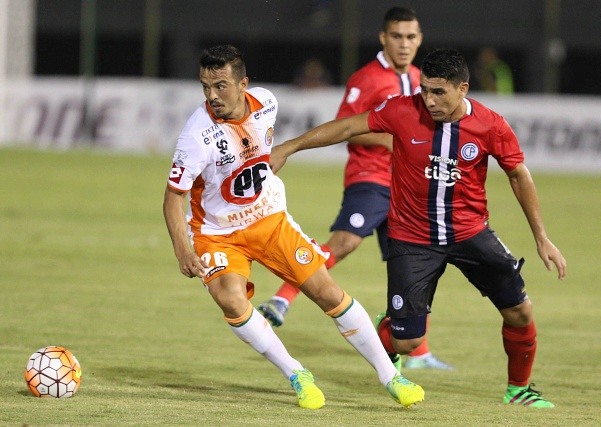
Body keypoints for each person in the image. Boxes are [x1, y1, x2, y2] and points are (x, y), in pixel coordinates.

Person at [267, 48, 567, 408]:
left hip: (471, 234)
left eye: (439, 91)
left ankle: (519, 389)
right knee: (406, 342)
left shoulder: (491, 125)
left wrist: (542, 237)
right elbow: (349, 126)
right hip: (413, 239)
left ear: (463, 89)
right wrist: (289, 146)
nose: (429, 99)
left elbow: (518, 174)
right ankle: (390, 329)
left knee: (520, 311)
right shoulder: (402, 110)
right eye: (425, 89)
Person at [162, 44, 424, 410]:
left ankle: (390, 376)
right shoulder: (196, 136)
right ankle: (296, 373)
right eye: (205, 87)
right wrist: (183, 250)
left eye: (220, 85)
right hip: (217, 234)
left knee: (328, 293)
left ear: (243, 84)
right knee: (231, 301)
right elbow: (173, 196)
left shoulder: (267, 103)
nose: (212, 96)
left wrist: (287, 150)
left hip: (269, 219)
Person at [258, 6, 453, 371]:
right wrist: (401, 142)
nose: (404, 44)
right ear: (384, 38)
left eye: (411, 37)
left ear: (420, 39)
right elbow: (348, 126)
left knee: (412, 265)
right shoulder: (367, 78)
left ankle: (419, 351)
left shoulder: (419, 78)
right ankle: (284, 297)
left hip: (408, 186)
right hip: (372, 177)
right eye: (397, 36)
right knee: (345, 241)